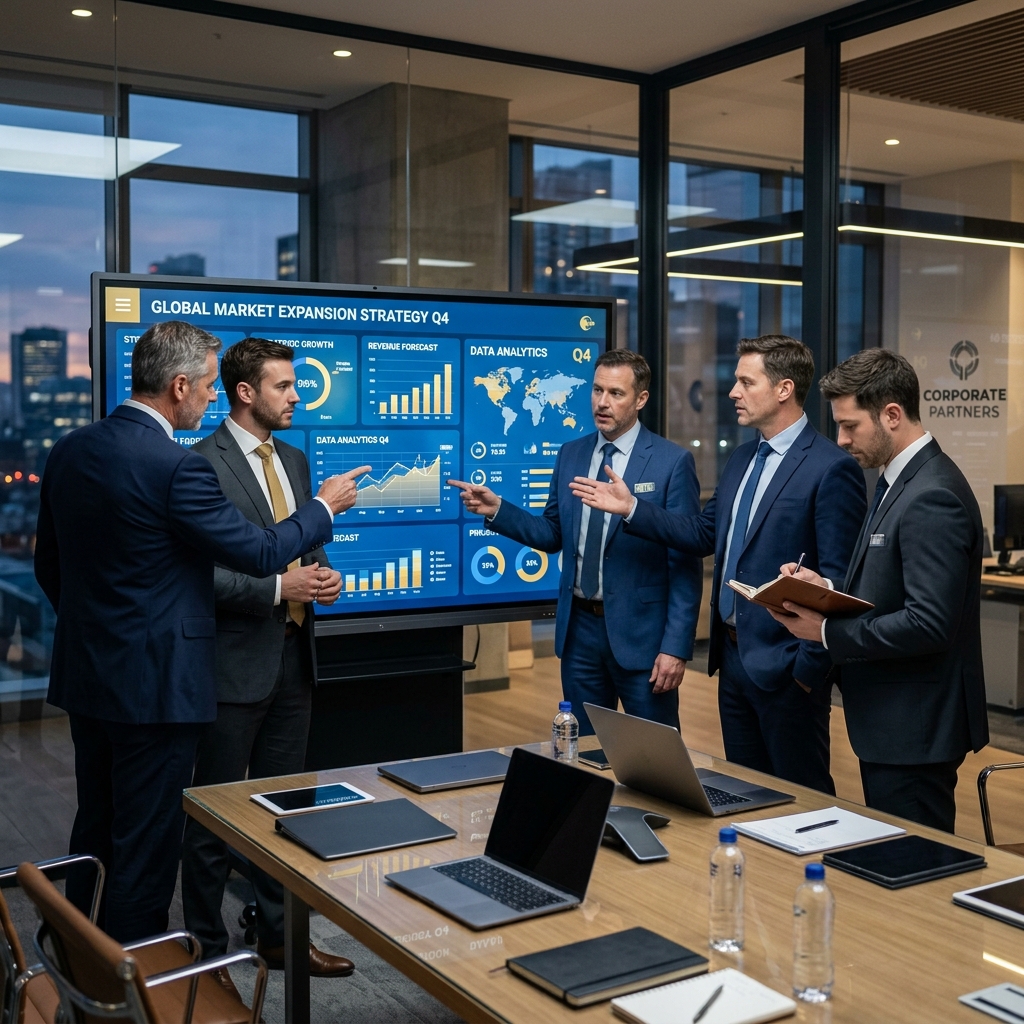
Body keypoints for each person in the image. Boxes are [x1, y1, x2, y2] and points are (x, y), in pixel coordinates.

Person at [33, 320, 369, 942]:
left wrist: (107, 634)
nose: (214, 398)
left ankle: (71, 959)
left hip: (90, 680)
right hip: (158, 691)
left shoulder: (71, 450)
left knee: (96, 830)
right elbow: (262, 550)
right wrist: (322, 509)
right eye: (210, 387)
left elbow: (49, 567)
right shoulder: (176, 466)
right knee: (147, 850)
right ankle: (127, 992)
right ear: (179, 385)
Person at [570, 336, 866, 794]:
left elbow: (839, 581)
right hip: (733, 662)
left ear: (784, 389)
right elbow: (703, 536)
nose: (733, 392)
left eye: (746, 382)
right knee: (747, 793)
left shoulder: (830, 467)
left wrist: (807, 674)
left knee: (802, 796)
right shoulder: (744, 457)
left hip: (787, 669)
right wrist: (632, 509)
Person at [181, 338, 352, 983]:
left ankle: (280, 937)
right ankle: (206, 951)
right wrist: (280, 589)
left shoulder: (297, 461)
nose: (297, 395)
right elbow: (202, 579)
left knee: (287, 809)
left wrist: (321, 578)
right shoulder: (201, 465)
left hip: (293, 660)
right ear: (246, 393)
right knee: (214, 820)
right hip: (230, 667)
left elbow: (304, 545)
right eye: (284, 386)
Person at [767, 348, 988, 832]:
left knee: (913, 869)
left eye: (851, 426)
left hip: (915, 726)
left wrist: (826, 633)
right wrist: (823, 586)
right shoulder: (897, 480)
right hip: (895, 720)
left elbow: (929, 623)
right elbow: (887, 583)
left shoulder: (933, 494)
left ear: (892, 415)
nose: (841, 440)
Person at [450, 349, 702, 735]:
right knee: (582, 753)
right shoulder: (572, 454)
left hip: (644, 640)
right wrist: (498, 509)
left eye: (616, 393)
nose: (602, 402)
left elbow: (684, 560)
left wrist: (676, 646)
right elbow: (552, 534)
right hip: (580, 632)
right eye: (597, 390)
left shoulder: (671, 463)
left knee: (654, 756)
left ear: (641, 399)